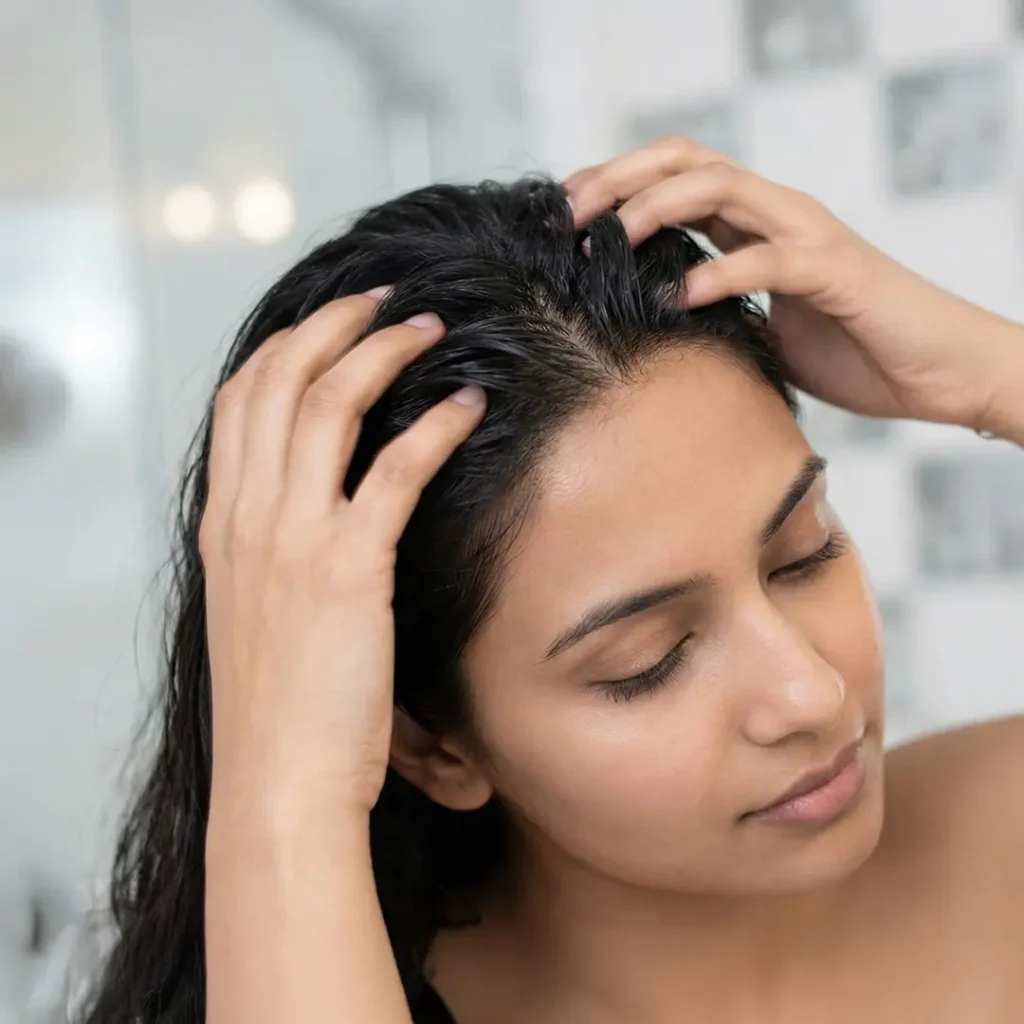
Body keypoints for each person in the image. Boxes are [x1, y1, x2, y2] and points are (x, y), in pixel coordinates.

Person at [82, 137, 1024, 1024]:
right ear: (434, 745)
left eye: (804, 554)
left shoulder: (999, 836)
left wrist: (990, 374)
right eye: (647, 662)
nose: (811, 694)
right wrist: (284, 786)